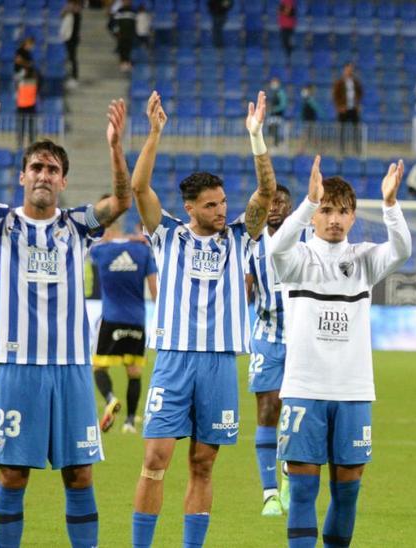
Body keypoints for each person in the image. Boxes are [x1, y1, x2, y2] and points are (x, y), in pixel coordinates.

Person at [0, 82, 132, 548]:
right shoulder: (2, 223)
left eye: (52, 169)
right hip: (18, 369)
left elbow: (121, 203)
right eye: (35, 166)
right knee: (13, 475)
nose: (43, 174)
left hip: (72, 369)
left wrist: (116, 150)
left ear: (62, 181)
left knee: (79, 474)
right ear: (22, 177)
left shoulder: (77, 226)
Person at [128, 90, 276, 547]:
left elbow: (266, 194)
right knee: (156, 457)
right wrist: (154, 133)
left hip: (218, 364)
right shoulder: (167, 234)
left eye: (223, 203)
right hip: (173, 359)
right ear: (190, 207)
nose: (222, 211)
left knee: (203, 462)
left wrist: (256, 137)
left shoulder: (239, 238)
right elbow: (138, 188)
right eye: (211, 205)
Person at [270, 156, 411, 548]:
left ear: (352, 218)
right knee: (301, 493)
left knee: (347, 493)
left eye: (343, 212)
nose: (334, 219)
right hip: (304, 389)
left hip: (353, 392)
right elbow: (275, 248)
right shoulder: (298, 259)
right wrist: (306, 204)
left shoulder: (364, 259)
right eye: (326, 210)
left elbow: (401, 250)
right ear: (315, 215)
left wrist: (390, 205)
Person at [243, 181, 295, 517]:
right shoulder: (251, 245)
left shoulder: (306, 238)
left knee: (297, 412)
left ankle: (290, 476)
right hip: (267, 336)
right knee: (267, 410)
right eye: (271, 201)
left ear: (290, 207)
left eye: (282, 202)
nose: (275, 206)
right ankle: (270, 493)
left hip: (303, 339)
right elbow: (244, 292)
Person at [89, 212, 158, 434]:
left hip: (111, 318)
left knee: (99, 366)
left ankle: (110, 399)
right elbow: (154, 290)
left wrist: (110, 239)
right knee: (135, 372)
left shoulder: (101, 251)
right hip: (137, 319)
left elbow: (90, 245)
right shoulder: (143, 251)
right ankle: (129, 422)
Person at [333, 64, 364, 155]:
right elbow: (335, 96)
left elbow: (360, 93)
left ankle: (357, 149)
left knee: (356, 129)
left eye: (350, 70)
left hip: (353, 109)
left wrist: (358, 104)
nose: (349, 71)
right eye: (347, 70)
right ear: (344, 70)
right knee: (342, 130)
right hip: (344, 109)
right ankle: (341, 149)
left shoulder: (355, 82)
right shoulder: (339, 82)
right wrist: (339, 106)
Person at [14, 52, 39, 152]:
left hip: (30, 105)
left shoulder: (33, 74)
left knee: (31, 127)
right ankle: (20, 145)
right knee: (21, 127)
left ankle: (32, 145)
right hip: (22, 105)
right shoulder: (20, 73)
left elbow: (36, 86)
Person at [58, 2, 82, 88]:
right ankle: (69, 77)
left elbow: (76, 13)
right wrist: (66, 10)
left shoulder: (76, 15)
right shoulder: (68, 15)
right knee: (67, 59)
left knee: (73, 58)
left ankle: (75, 78)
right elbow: (61, 15)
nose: (69, 6)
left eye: (72, 5)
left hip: (73, 40)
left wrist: (70, 10)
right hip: (67, 39)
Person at [112, 0, 136, 72]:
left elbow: (135, 23)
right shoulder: (119, 11)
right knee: (122, 49)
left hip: (130, 34)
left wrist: (135, 33)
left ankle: (129, 63)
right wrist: (116, 32)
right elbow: (115, 23)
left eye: (128, 1)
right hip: (121, 34)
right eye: (124, 1)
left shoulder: (133, 11)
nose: (126, 2)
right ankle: (123, 63)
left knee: (129, 49)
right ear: (122, 2)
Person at [267, 77, 289, 148]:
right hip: (272, 116)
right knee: (270, 128)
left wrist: (274, 109)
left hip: (279, 116)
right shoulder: (274, 93)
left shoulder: (281, 93)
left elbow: (283, 105)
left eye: (274, 83)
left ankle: (277, 143)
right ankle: (276, 142)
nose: (273, 84)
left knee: (276, 128)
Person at [298, 84, 321, 154]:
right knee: (305, 136)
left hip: (311, 121)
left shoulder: (310, 100)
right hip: (307, 121)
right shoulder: (306, 100)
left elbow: (316, 108)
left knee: (312, 136)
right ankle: (302, 150)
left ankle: (319, 150)